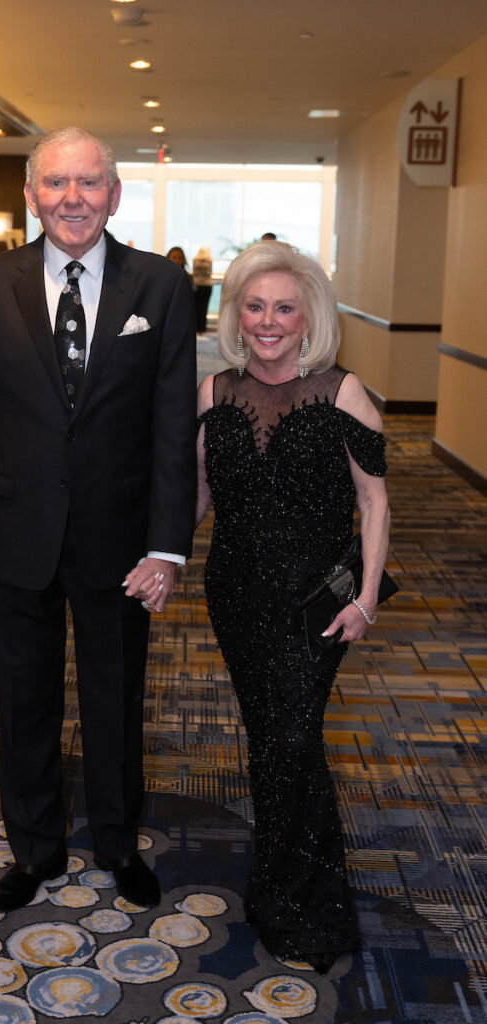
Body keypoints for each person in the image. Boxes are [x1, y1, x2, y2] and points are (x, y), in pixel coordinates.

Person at [0, 127, 197, 913]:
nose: (72, 198)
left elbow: (172, 427)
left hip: (120, 539)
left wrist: (167, 546)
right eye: (55, 183)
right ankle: (35, 850)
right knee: (24, 700)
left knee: (115, 700)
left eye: (88, 184)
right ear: (31, 195)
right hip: (13, 532)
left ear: (113, 195)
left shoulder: (159, 288)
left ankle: (117, 844)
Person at [196, 240, 390, 973]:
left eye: (284, 306)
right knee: (271, 740)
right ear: (236, 316)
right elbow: (196, 495)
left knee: (291, 741)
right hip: (236, 595)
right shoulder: (213, 394)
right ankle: (282, 889)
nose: (268, 320)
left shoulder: (342, 391)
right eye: (255, 306)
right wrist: (155, 556)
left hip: (318, 600)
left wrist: (366, 597)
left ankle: (305, 908)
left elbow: (373, 501)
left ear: (308, 316)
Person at [192, 246, 213, 333]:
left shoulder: (195, 261)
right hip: (207, 285)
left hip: (197, 285)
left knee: (196, 307)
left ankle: (196, 327)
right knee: (204, 307)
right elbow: (209, 272)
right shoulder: (209, 261)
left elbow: (194, 272)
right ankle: (202, 327)